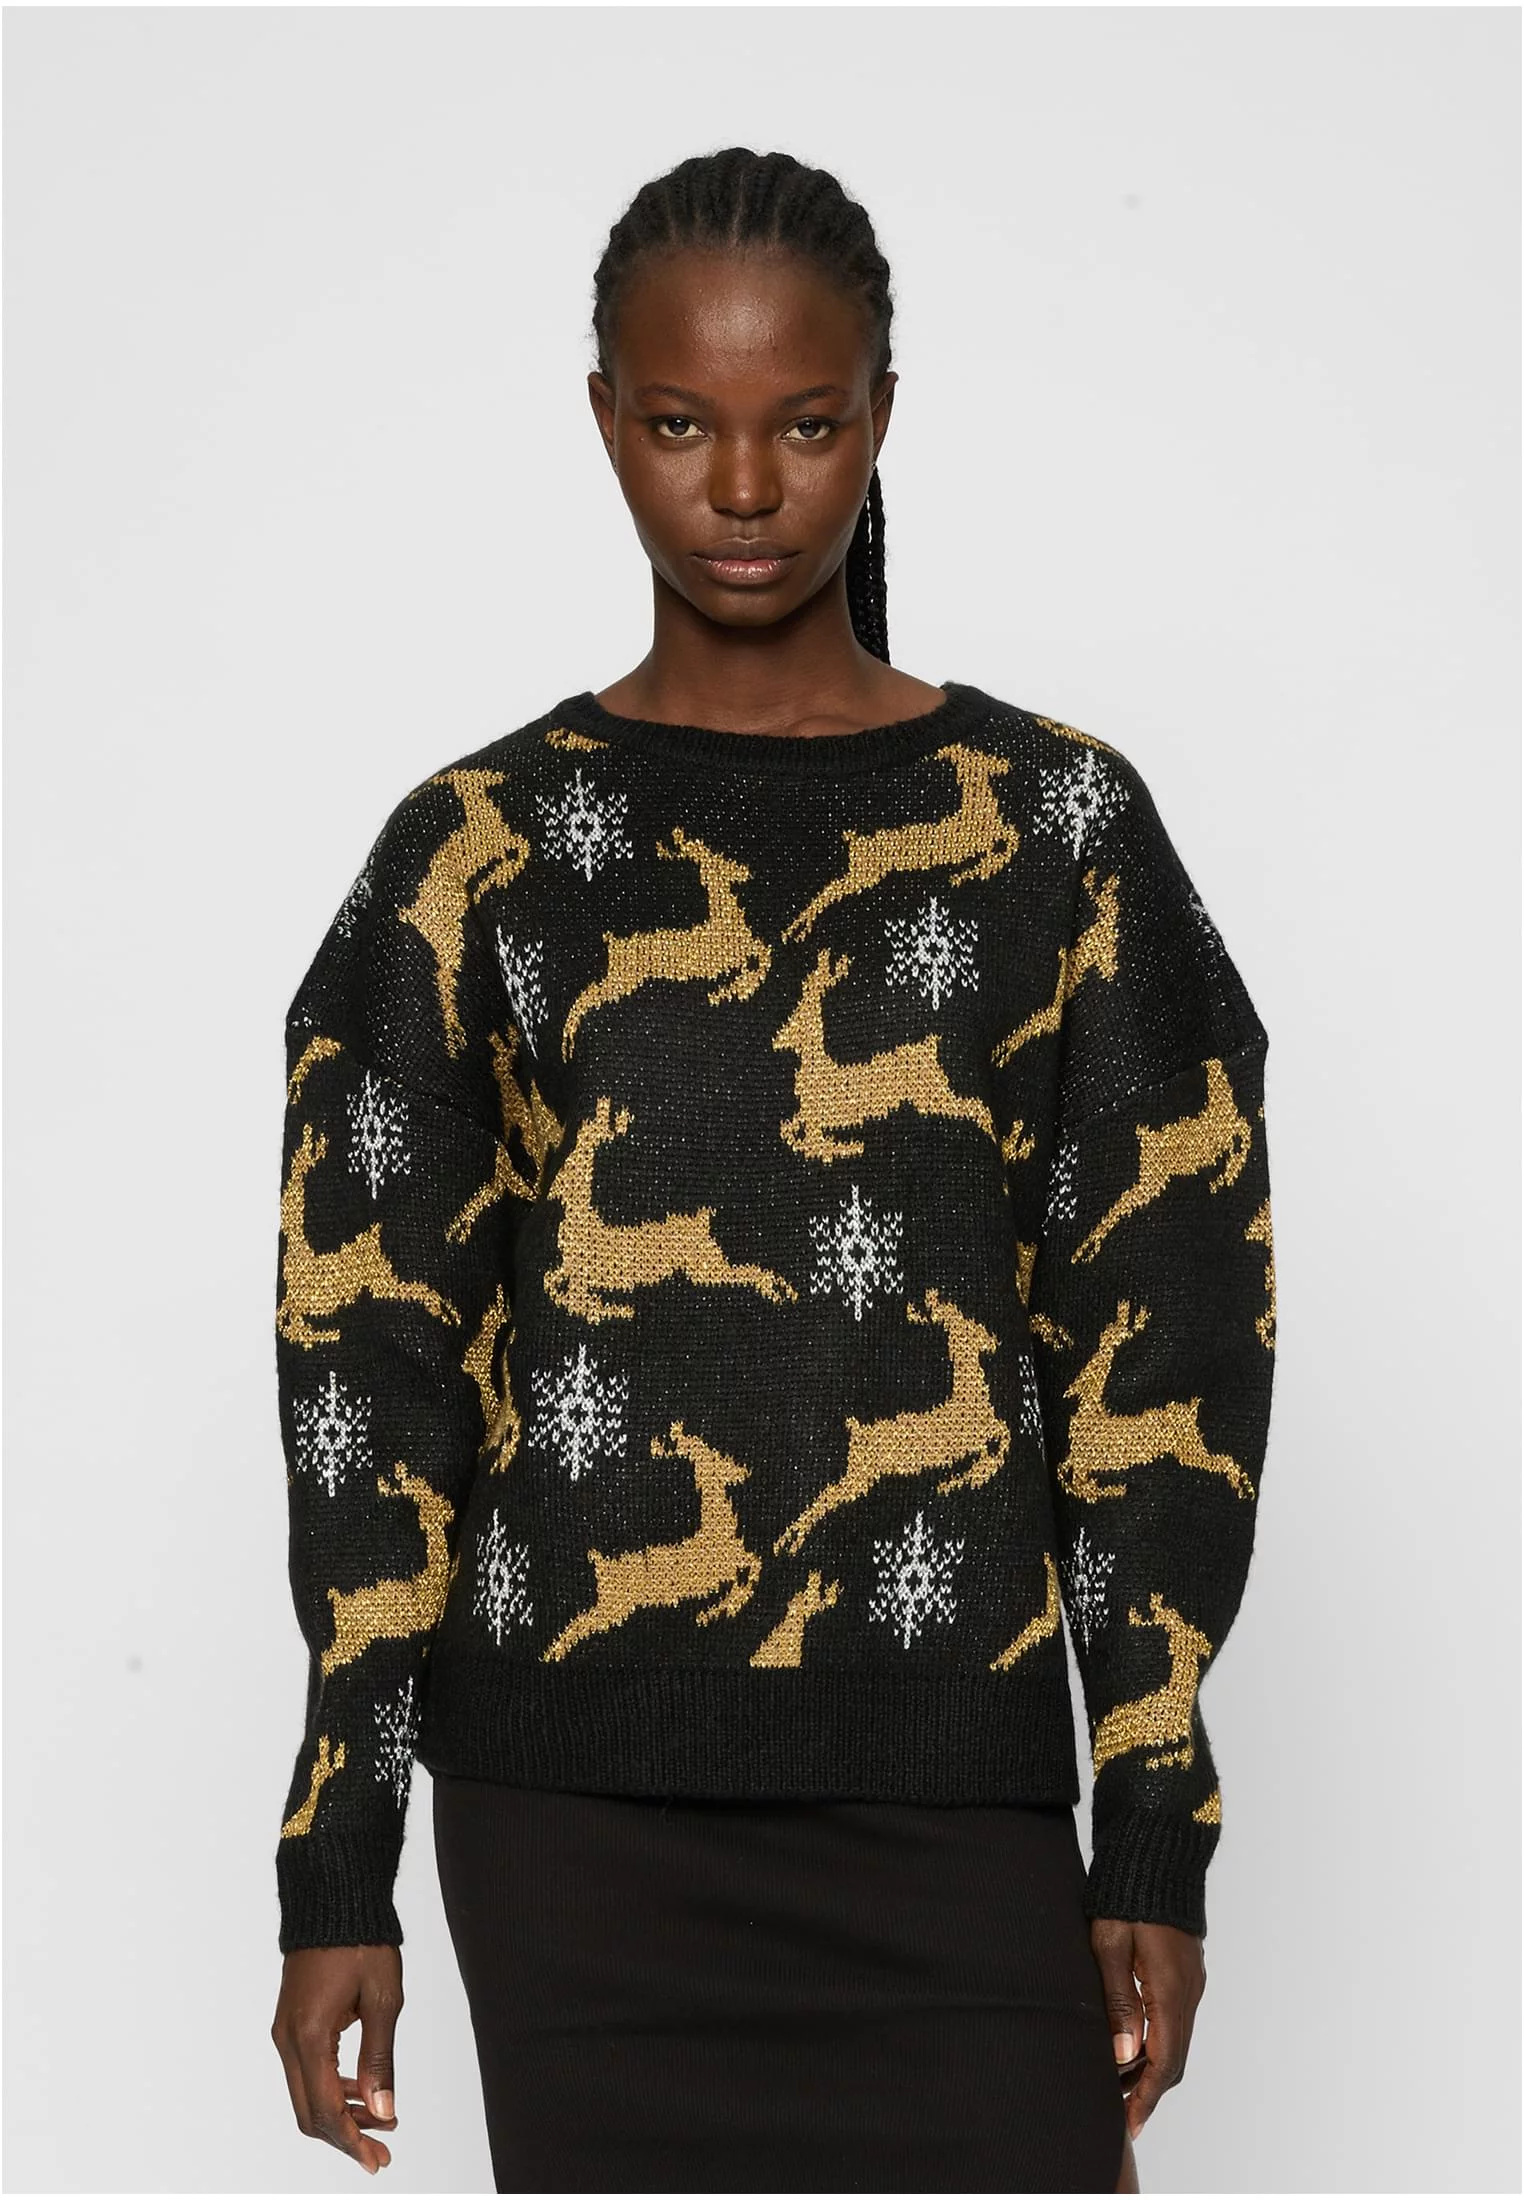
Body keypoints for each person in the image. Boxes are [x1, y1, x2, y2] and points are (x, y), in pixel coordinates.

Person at [269, 146, 1276, 2195]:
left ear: (882, 413)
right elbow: (370, 1370)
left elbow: (1168, 1336)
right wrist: (336, 1854)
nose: (743, 488)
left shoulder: (1057, 834)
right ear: (604, 420)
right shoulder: (477, 857)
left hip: (954, 1793)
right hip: (573, 1818)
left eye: (805, 424)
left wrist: (1153, 1826)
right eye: (681, 424)